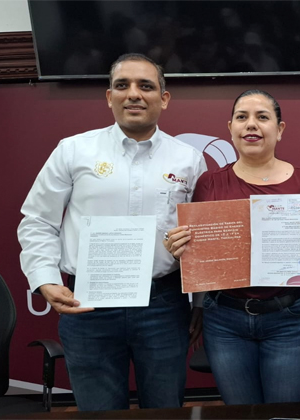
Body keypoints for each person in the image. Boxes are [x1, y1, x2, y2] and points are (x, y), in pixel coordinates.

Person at [17, 53, 206, 410]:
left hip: (163, 306)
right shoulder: (74, 150)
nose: (134, 94)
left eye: (145, 86)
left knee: (165, 411)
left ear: (164, 98)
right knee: (99, 413)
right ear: (109, 97)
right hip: (88, 306)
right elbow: (38, 220)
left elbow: (200, 234)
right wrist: (45, 279)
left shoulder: (189, 159)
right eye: (122, 85)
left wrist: (200, 302)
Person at [164, 89, 300, 405]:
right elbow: (203, 257)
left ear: (279, 129)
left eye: (262, 117)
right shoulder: (209, 183)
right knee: (240, 412)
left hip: (291, 318)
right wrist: (183, 251)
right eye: (242, 117)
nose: (251, 125)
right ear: (230, 128)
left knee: (285, 413)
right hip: (225, 321)